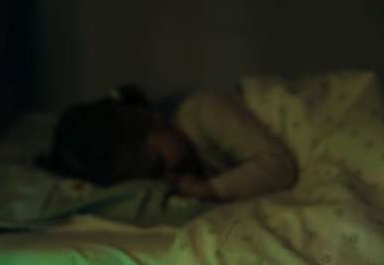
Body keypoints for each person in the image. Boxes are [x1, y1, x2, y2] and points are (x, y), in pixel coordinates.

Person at [43, 84, 297, 200]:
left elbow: (277, 166)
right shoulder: (183, 157)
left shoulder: (202, 111)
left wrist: (210, 190)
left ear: (150, 119)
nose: (170, 179)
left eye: (158, 166)